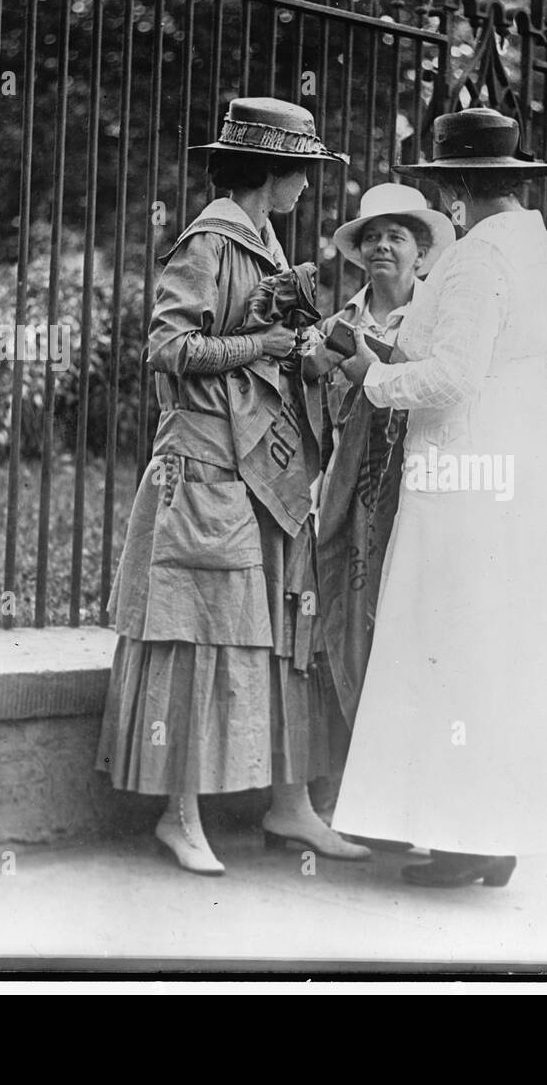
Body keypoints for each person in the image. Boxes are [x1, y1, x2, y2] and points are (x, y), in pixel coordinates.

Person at [94, 96, 370, 873]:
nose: (309, 186)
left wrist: (308, 354)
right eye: (303, 171)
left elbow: (266, 354)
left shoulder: (267, 242)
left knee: (287, 635)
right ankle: (179, 818)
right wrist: (266, 342)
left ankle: (292, 808)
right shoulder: (210, 241)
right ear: (270, 170)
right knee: (195, 633)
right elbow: (166, 346)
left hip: (264, 468)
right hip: (208, 467)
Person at [329, 108, 547, 888]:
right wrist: (378, 347)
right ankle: (496, 832)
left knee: (454, 637)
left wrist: (370, 378)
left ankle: (465, 836)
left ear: (462, 185)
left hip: (468, 458)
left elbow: (454, 375)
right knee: (509, 647)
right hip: (529, 450)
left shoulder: (475, 259)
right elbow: (468, 349)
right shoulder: (542, 252)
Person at [304, 184, 455, 739]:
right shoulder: (335, 325)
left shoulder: (439, 319)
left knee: (410, 605)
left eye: (397, 237)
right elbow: (313, 412)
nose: (383, 247)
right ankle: (347, 744)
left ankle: (403, 751)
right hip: (350, 479)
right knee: (346, 597)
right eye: (372, 237)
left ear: (420, 251)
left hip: (417, 476)